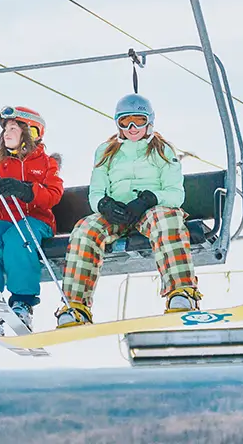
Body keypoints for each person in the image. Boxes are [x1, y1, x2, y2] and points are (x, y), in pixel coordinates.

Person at [55, 93, 199, 329]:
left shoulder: (162, 151)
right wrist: (105, 205)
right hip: (118, 212)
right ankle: (76, 306)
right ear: (118, 123)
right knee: (85, 229)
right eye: (125, 122)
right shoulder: (106, 151)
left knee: (167, 219)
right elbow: (96, 191)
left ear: (149, 122)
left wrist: (149, 199)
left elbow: (175, 194)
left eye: (139, 121)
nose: (132, 128)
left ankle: (182, 291)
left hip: (151, 210)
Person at [0, 106, 64, 334]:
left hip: (36, 221)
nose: (7, 133)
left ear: (31, 132)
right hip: (6, 220)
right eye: (5, 129)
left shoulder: (46, 163)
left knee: (18, 239)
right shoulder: (0, 163)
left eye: (13, 129)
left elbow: (53, 195)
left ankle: (22, 302)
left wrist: (27, 190)